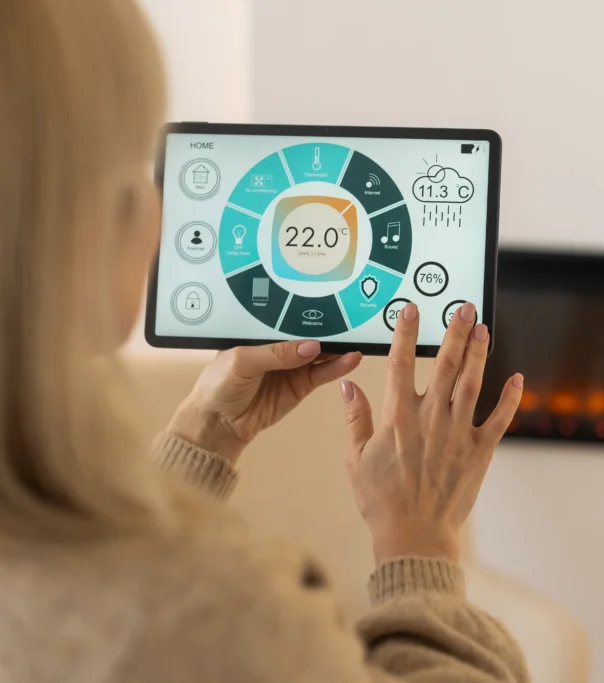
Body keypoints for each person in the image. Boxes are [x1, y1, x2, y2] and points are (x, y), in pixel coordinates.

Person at [0, 1, 528, 682]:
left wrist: (204, 434)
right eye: (136, 164)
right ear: (91, 220)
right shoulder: (218, 616)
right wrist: (419, 543)